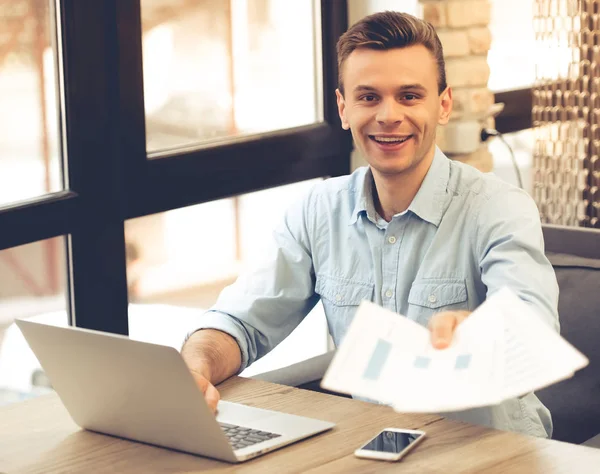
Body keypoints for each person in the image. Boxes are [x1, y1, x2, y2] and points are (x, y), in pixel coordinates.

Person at [181, 11, 559, 438]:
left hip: (496, 455)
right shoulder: (317, 211)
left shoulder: (499, 208)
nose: (389, 115)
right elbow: (242, 323)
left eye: (410, 96)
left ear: (444, 105)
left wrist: (480, 335)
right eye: (368, 97)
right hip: (377, 451)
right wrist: (195, 367)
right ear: (344, 108)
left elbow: (531, 329)